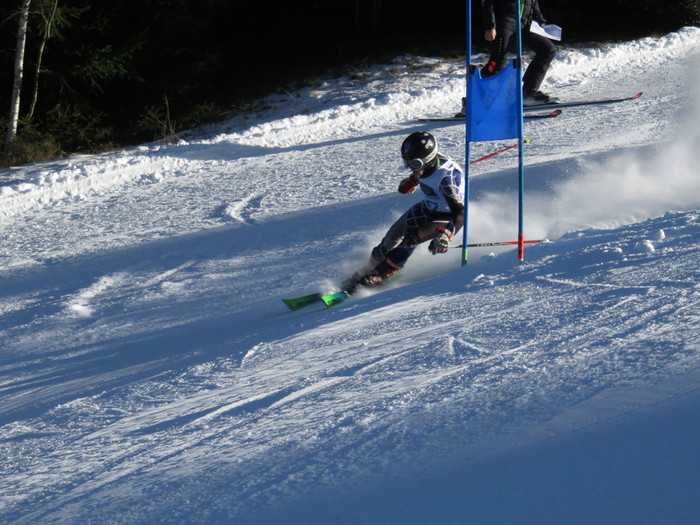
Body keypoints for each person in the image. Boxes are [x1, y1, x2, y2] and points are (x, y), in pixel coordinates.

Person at [346, 131, 465, 290]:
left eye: (414, 164)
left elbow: (461, 213)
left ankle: (381, 274)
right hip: (428, 207)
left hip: (447, 217)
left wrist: (446, 235)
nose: (410, 167)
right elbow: (425, 173)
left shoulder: (446, 180)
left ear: (428, 160)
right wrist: (412, 181)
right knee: (391, 237)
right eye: (407, 162)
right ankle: (370, 269)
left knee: (411, 238)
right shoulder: (426, 166)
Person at [480, 0, 557, 105]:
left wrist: (539, 17)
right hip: (505, 22)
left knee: (548, 49)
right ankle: (480, 95)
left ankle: (528, 92)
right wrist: (490, 26)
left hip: (524, 24)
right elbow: (488, 2)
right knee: (498, 61)